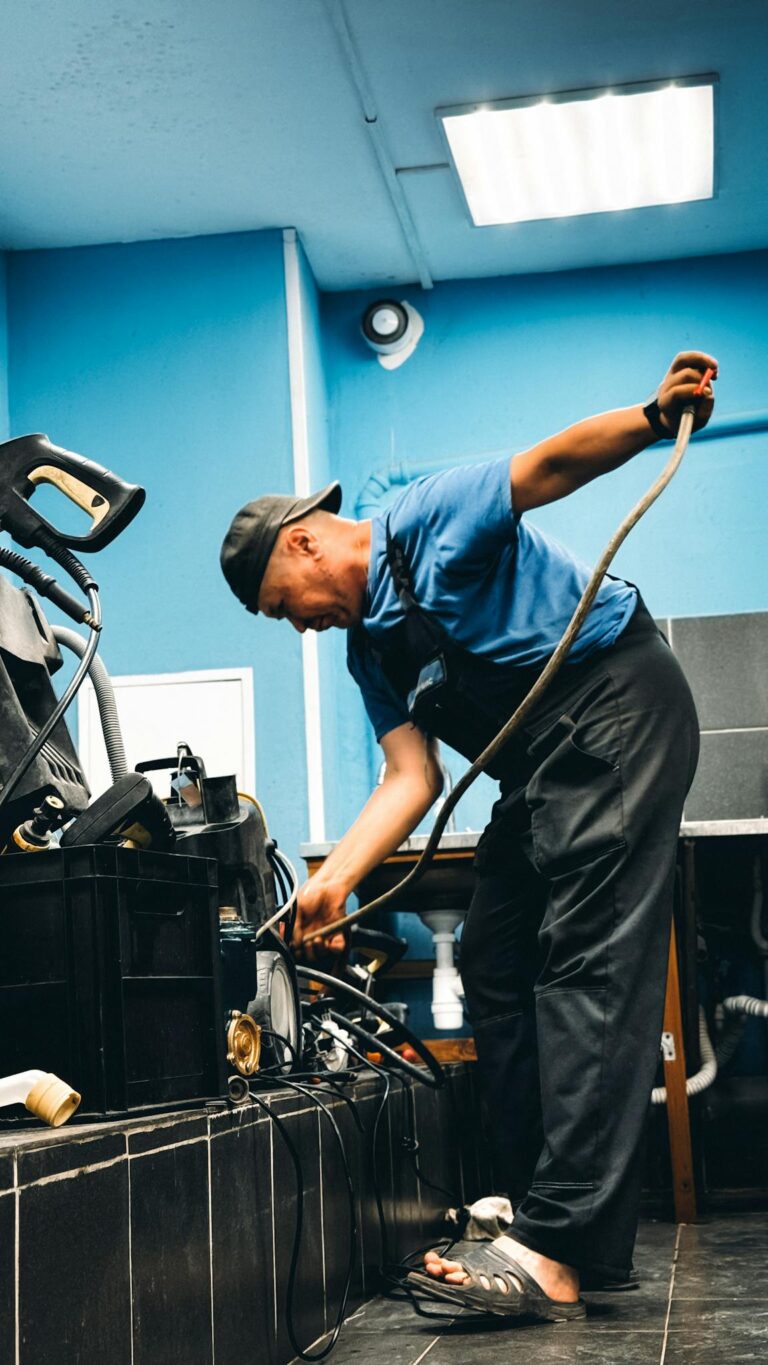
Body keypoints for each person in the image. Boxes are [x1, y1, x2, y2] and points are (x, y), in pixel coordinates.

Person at [220, 351, 716, 1323]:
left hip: (615, 701)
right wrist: (330, 885)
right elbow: (412, 777)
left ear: (304, 545)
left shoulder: (422, 516)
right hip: (536, 766)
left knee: (584, 968)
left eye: (287, 608)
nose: (301, 629)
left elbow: (549, 466)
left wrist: (653, 418)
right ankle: (535, 1214)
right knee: (494, 959)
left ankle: (561, 1249)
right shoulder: (372, 652)